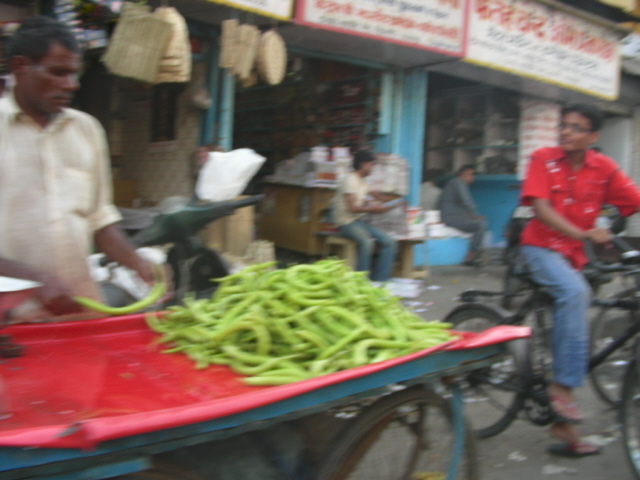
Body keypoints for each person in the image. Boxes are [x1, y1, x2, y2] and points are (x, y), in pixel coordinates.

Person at [0, 16, 155, 321]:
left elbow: (101, 220)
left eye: (74, 74)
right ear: (21, 67)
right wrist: (36, 281)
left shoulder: (87, 130)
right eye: (58, 73)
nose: (72, 85)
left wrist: (137, 263)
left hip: (80, 311)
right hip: (12, 321)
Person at [519, 103, 640, 458]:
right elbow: (540, 209)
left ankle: (565, 426)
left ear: (593, 136)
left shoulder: (603, 168)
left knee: (593, 301)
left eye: (575, 127)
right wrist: (585, 233)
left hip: (574, 255)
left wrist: (610, 225)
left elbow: (632, 201)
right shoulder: (544, 158)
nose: (566, 132)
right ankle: (563, 388)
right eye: (564, 126)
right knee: (575, 293)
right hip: (540, 248)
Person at [332, 149, 397, 282]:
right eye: (371, 165)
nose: (372, 168)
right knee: (367, 242)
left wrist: (392, 202)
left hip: (357, 221)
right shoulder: (350, 180)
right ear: (363, 164)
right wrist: (373, 208)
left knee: (389, 242)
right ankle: (361, 281)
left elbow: (374, 196)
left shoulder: (363, 182)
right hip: (345, 222)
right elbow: (352, 208)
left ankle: (380, 280)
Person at [438, 165, 486, 265]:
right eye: (470, 174)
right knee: (481, 224)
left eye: (473, 175)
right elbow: (467, 201)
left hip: (452, 217)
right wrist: (475, 215)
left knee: (480, 223)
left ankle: (475, 255)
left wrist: (472, 215)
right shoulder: (458, 182)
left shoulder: (455, 183)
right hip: (450, 219)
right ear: (461, 174)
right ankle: (470, 256)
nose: (472, 177)